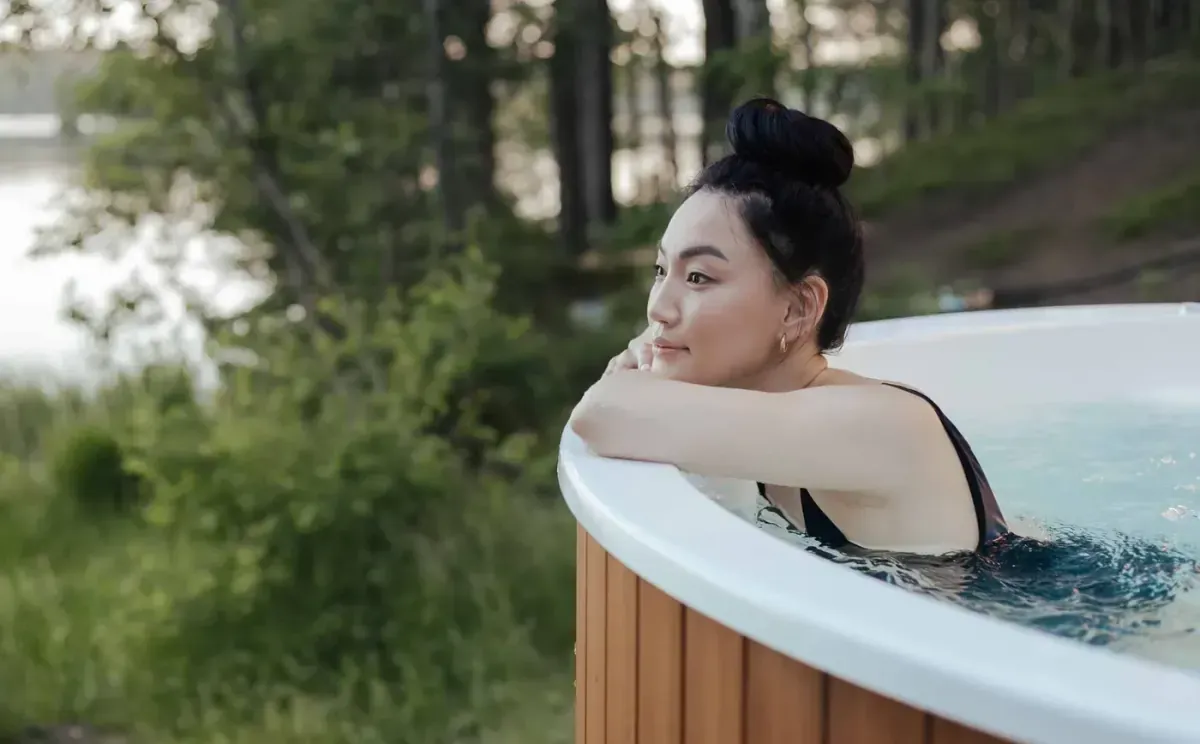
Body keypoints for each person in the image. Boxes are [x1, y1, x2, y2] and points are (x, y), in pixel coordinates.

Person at [568, 97, 1009, 556]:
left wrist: (644, 360)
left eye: (698, 277)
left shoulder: (877, 424)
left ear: (799, 308)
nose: (659, 307)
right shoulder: (773, 411)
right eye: (662, 271)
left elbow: (600, 413)